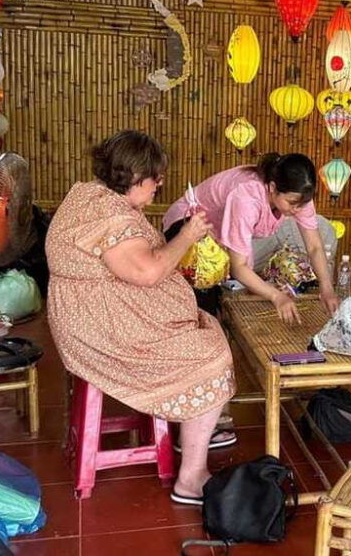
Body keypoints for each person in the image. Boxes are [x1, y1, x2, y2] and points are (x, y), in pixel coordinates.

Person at [45, 130, 236, 505]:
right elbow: (147, 273)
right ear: (134, 177)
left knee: (206, 326)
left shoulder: (90, 195)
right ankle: (191, 476)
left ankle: (195, 424)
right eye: (155, 178)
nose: (159, 184)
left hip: (100, 315)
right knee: (211, 356)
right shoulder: (108, 215)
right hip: (99, 329)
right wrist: (188, 235)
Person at [163, 153, 339, 322]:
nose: (298, 210)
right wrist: (275, 296)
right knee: (206, 312)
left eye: (303, 204)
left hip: (220, 238)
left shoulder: (299, 196)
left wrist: (327, 288)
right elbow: (239, 266)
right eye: (292, 203)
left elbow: (315, 246)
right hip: (188, 227)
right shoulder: (247, 196)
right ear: (272, 188)